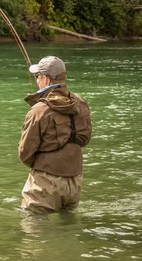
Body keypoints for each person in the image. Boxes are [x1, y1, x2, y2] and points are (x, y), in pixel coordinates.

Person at [18, 56, 92, 213]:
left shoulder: (39, 110)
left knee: (34, 230)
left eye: (38, 76)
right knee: (69, 231)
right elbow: (85, 139)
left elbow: (25, 153)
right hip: (74, 181)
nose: (37, 80)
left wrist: (43, 166)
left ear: (45, 79)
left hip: (45, 182)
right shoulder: (81, 102)